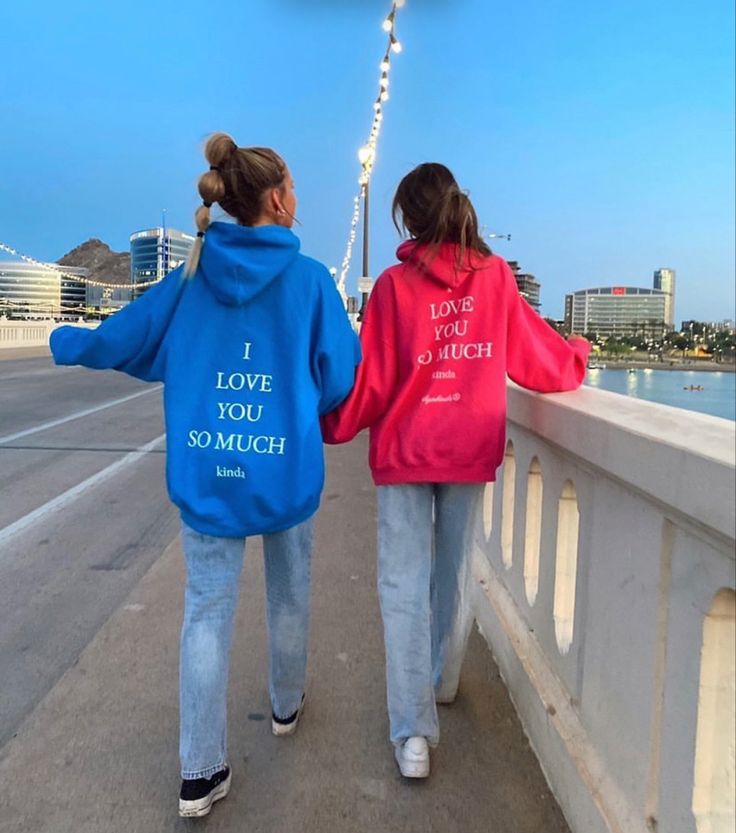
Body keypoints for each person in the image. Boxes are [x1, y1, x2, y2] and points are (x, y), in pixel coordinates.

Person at [50, 132, 360, 817]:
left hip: (208, 470)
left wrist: (68, 341)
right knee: (288, 595)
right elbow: (341, 375)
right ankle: (284, 705)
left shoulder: (188, 276)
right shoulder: (309, 281)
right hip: (286, 475)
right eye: (295, 188)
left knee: (207, 613)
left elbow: (123, 335)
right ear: (277, 199)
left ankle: (199, 770)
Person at [321, 162, 590, 779]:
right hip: (469, 444)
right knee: (455, 570)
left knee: (402, 584)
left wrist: (329, 425)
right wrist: (575, 356)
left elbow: (374, 381)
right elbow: (536, 357)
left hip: (405, 450)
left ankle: (414, 734)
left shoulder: (392, 286)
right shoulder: (495, 278)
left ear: (409, 219)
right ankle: (441, 680)